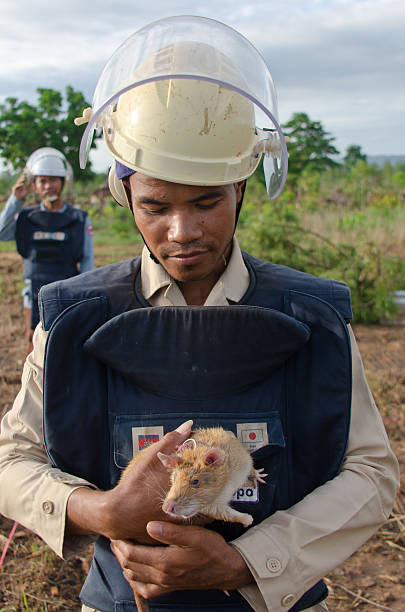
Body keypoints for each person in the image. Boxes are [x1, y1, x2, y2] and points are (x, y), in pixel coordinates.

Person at [0, 15, 399, 612]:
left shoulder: (312, 315)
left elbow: (370, 473)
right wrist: (98, 509)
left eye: (207, 202)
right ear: (123, 193)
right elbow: (13, 457)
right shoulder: (73, 318)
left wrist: (248, 559)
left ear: (241, 187)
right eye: (156, 205)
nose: (183, 232)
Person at [0, 147, 94, 353]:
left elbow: (87, 261)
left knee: (65, 348)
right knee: (34, 347)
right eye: (42, 181)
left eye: (53, 180)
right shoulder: (25, 217)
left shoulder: (79, 218)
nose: (48, 186)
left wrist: (86, 299)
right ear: (34, 185)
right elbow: (2, 233)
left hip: (67, 294)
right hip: (33, 297)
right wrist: (16, 201)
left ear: (62, 182)